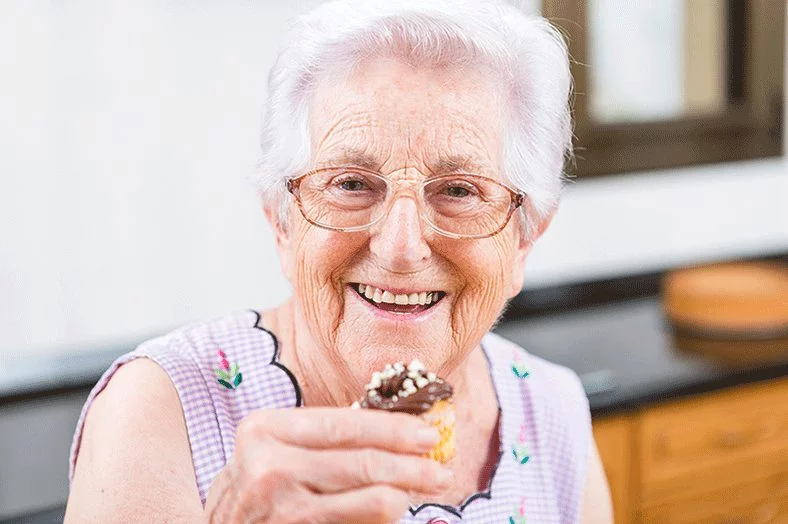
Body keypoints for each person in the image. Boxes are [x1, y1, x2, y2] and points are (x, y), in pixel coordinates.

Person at [65, 0, 613, 522]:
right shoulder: (159, 410)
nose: (401, 247)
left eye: (460, 191)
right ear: (282, 222)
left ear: (523, 238)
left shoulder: (552, 407)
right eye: (350, 183)